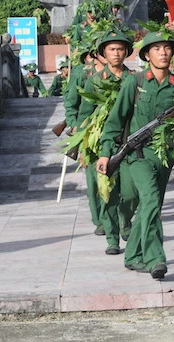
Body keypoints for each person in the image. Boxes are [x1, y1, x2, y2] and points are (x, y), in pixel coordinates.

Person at [96, 31, 174, 279]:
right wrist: (106, 153)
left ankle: (132, 256)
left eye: (167, 48)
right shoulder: (135, 82)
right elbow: (116, 120)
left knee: (152, 206)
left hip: (165, 156)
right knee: (149, 201)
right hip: (137, 156)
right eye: (157, 48)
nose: (163, 52)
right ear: (147, 55)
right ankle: (155, 258)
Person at [77, 31, 135, 255]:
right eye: (111, 49)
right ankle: (112, 238)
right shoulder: (94, 81)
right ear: (104, 53)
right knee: (108, 193)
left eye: (120, 49)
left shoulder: (134, 79)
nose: (116, 53)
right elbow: (85, 116)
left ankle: (126, 223)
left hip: (129, 143)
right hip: (102, 145)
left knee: (130, 192)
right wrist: (84, 147)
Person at [64, 41, 105, 236]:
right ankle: (100, 220)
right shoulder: (83, 73)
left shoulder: (122, 75)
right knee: (94, 179)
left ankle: (114, 217)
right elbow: (71, 103)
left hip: (113, 132)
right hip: (88, 129)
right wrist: (74, 125)